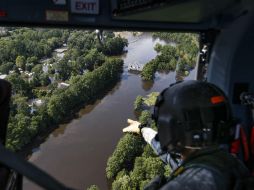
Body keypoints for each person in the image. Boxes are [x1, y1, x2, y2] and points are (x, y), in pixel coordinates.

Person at [123, 80, 251, 190]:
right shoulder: (229, 162)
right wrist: (142, 129)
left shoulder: (192, 182)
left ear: (170, 131)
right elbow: (169, 157)